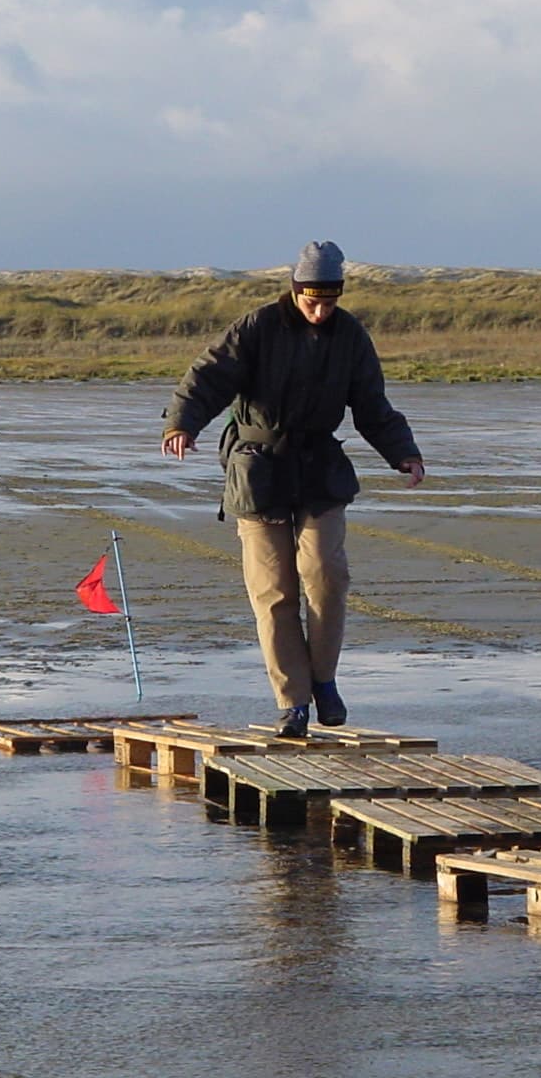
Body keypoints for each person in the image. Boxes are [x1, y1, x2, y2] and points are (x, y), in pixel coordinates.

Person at [162, 241, 424, 737]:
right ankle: (293, 703)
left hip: (320, 468)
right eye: (312, 301)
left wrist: (403, 452)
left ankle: (323, 680)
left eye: (330, 301)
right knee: (273, 591)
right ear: (295, 289)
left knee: (326, 574)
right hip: (258, 469)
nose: (321, 311)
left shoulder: (350, 336)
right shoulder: (256, 328)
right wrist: (182, 424)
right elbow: (207, 378)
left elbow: (372, 405)